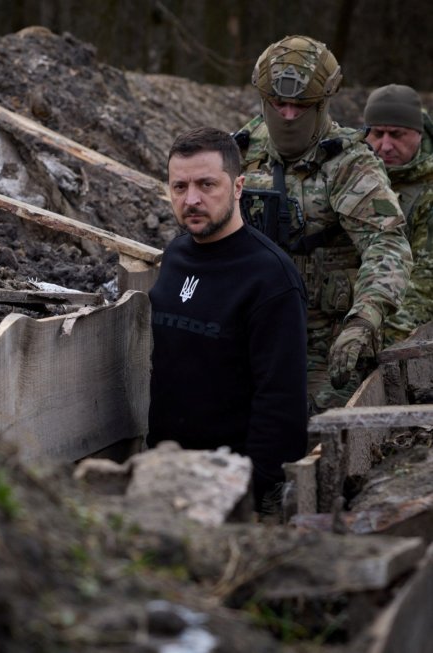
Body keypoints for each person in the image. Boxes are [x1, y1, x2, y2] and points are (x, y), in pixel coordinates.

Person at [234, 35, 412, 413]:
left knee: (313, 434)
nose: (287, 115)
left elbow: (387, 244)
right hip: (252, 327)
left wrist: (364, 320)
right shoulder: (245, 150)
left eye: (300, 105)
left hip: (324, 340)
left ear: (322, 103)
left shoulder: (349, 163)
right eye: (278, 104)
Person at [146, 126, 308, 513]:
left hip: (232, 487)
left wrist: (250, 493)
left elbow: (282, 400)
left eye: (206, 184)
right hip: (166, 473)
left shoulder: (270, 278)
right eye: (179, 187)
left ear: (238, 187)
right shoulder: (175, 256)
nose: (192, 199)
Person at [363, 84, 433, 345]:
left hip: (400, 323)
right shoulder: (350, 178)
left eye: (396, 134)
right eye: (377, 134)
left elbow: (425, 283)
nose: (386, 145)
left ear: (417, 133)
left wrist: (378, 339)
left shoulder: (427, 190)